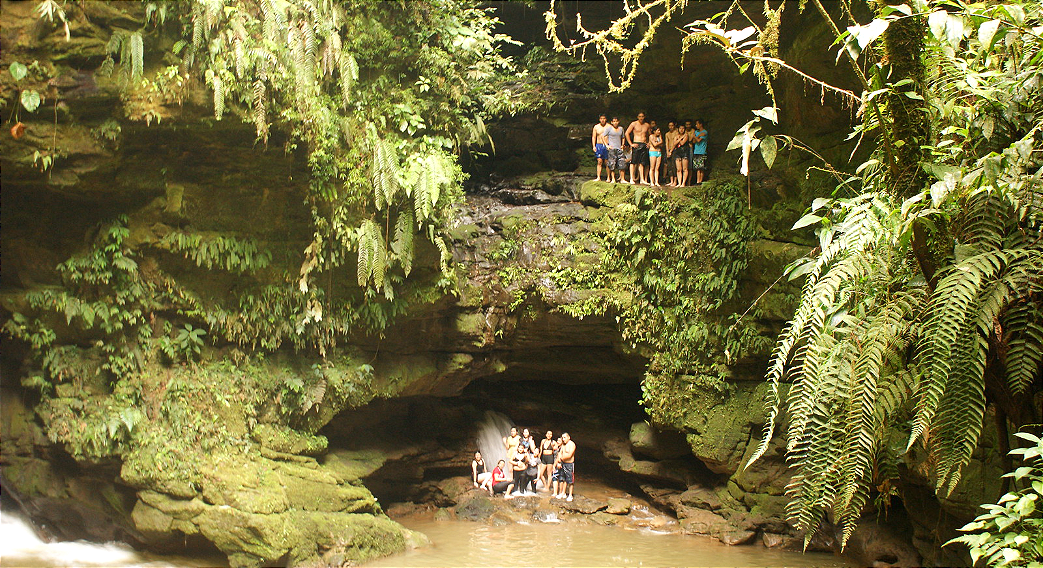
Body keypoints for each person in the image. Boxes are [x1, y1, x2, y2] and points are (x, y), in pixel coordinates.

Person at [625, 112, 651, 185]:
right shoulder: (634, 124)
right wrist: (631, 144)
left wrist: (649, 143)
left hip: (644, 144)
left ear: (644, 117)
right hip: (636, 143)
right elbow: (627, 133)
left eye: (642, 116)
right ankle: (631, 178)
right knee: (633, 162)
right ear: (637, 117)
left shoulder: (647, 125)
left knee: (642, 163)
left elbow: (650, 135)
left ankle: (642, 179)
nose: (641, 118)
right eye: (640, 116)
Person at [603, 117, 627, 183]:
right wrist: (606, 145)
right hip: (612, 148)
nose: (615, 123)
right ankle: (613, 179)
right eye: (614, 121)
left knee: (622, 163)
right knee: (612, 164)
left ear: (618, 121)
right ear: (612, 122)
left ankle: (622, 179)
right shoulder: (609, 128)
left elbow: (623, 137)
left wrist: (622, 145)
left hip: (619, 148)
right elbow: (603, 136)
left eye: (616, 121)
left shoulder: (621, 129)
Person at [556, 432, 576, 501]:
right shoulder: (563, 445)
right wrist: (559, 461)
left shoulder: (572, 444)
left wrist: (561, 458)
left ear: (568, 437)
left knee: (570, 480)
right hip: (563, 463)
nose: (563, 439)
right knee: (562, 478)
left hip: (569, 464)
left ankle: (570, 495)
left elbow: (569, 455)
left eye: (564, 437)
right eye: (562, 437)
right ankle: (563, 493)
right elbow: (560, 453)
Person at [591, 114, 609, 182]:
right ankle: (598, 177)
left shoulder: (609, 126)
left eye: (604, 118)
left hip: (607, 145)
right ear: (599, 119)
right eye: (601, 118)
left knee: (607, 162)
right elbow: (594, 137)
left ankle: (608, 177)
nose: (602, 120)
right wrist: (593, 146)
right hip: (599, 145)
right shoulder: (596, 127)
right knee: (599, 161)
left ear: (606, 119)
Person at [691, 119, 708, 184]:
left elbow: (698, 140)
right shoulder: (697, 132)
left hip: (702, 151)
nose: (696, 125)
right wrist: (697, 136)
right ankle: (698, 181)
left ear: (701, 124)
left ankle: (700, 181)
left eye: (697, 124)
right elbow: (694, 141)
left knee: (701, 167)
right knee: (697, 167)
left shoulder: (705, 132)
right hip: (696, 151)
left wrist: (695, 136)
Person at [664, 121, 678, 186]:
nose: (671, 127)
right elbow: (666, 143)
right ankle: (671, 181)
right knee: (669, 166)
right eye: (669, 126)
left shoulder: (676, 132)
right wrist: (667, 152)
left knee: (674, 166)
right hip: (668, 150)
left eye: (672, 125)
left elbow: (675, 143)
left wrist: (671, 151)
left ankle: (675, 181)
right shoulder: (667, 134)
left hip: (674, 150)